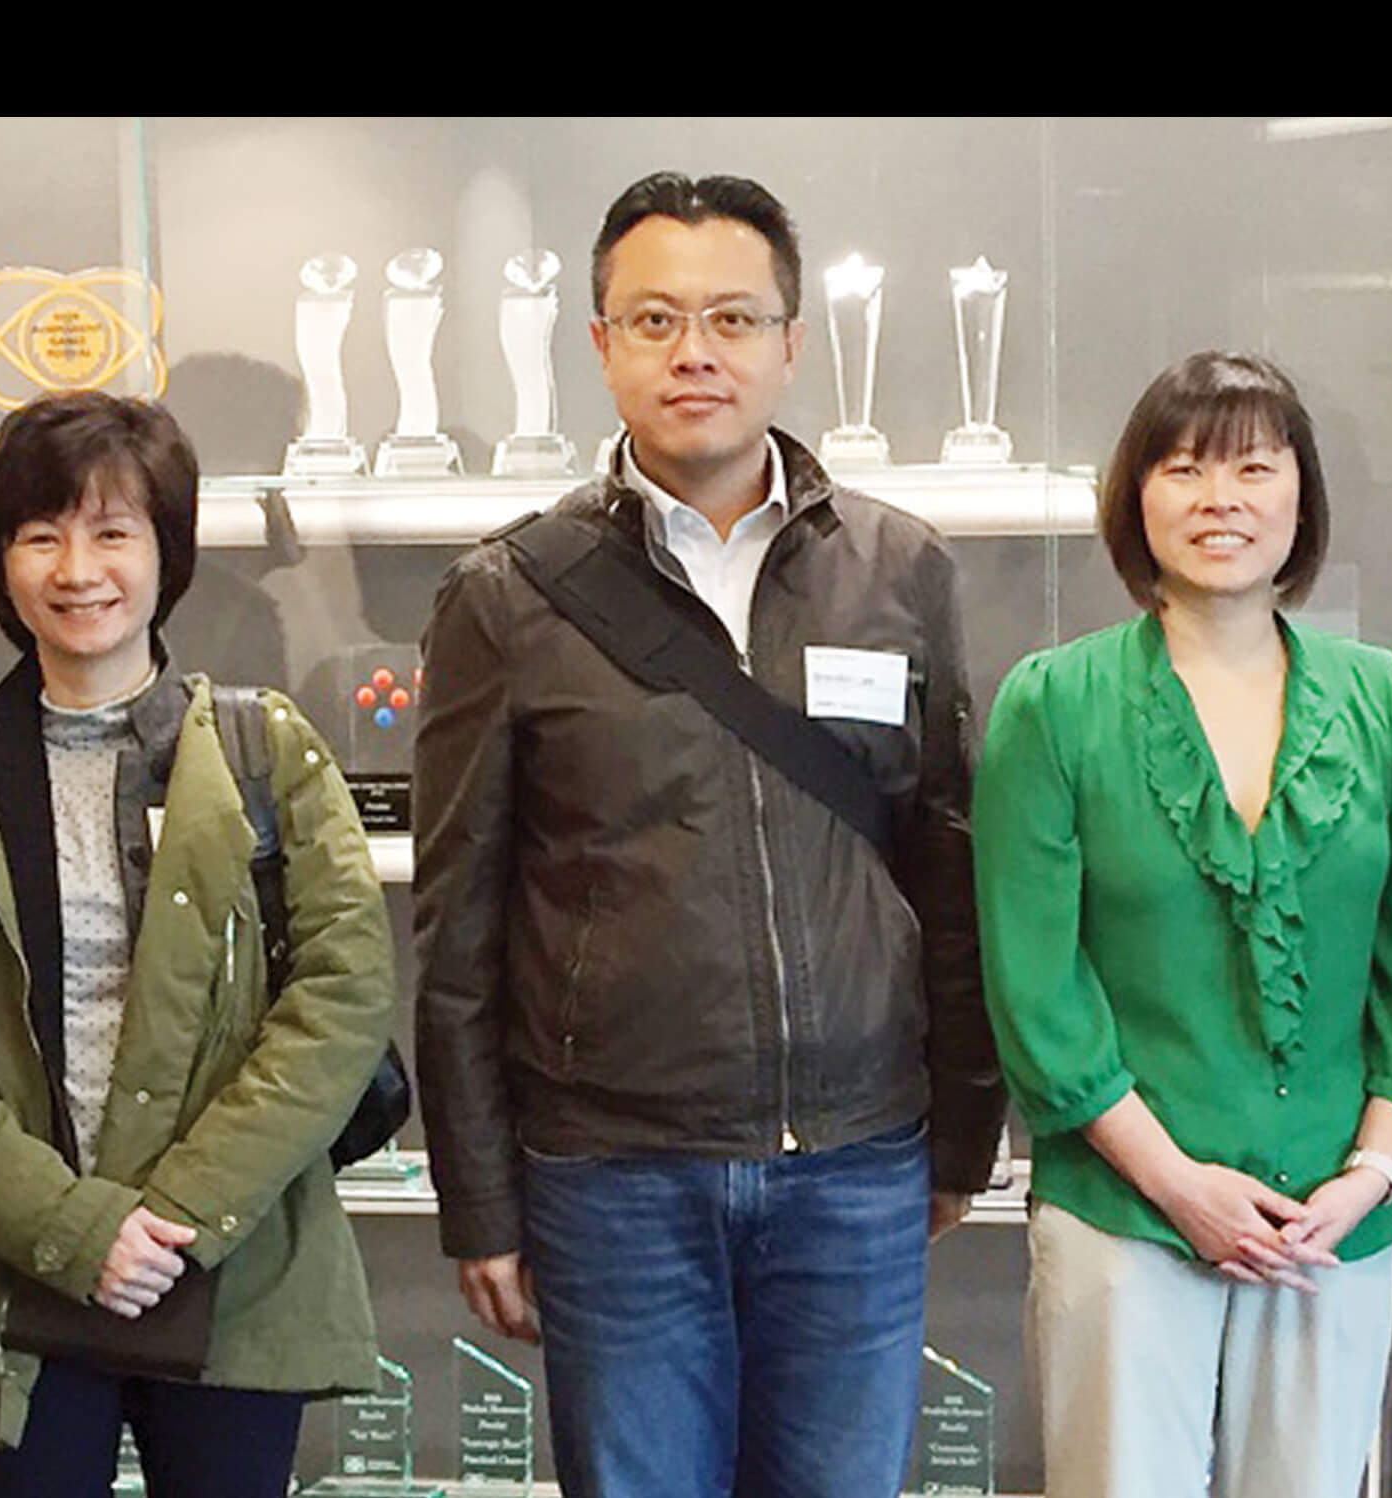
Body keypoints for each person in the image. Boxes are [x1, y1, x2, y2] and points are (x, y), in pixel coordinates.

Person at [412, 170, 1003, 1497]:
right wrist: (482, 1199)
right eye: (656, 319)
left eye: (733, 319)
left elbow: (944, 852)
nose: (697, 352)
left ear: (792, 344)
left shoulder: (901, 568)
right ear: (601, 346)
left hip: (857, 1162)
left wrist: (964, 1124)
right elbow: (457, 922)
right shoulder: (507, 599)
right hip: (614, 1176)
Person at [0, 392, 394, 1496]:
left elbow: (341, 993)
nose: (76, 566)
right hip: (11, 1263)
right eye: (39, 533)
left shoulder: (265, 750)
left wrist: (176, 1214)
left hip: (227, 1262)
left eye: (111, 530)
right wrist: (72, 1226)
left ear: (164, 552)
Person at [972, 351, 1392, 1497]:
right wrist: (1177, 1184)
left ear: (1302, 496)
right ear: (1134, 498)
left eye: (1252, 466)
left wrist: (1371, 1176)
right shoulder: (1051, 703)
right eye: (1182, 468)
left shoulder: (1386, 701)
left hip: (1328, 1220)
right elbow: (1035, 984)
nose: (1219, 498)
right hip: (1122, 1211)